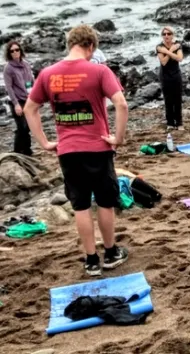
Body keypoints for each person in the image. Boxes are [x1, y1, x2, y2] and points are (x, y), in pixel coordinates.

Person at [24, 25, 129, 277]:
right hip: (98, 147)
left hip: (68, 150)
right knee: (104, 201)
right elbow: (121, 104)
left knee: (80, 204)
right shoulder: (99, 70)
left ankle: (91, 260)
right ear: (91, 46)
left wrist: (44, 142)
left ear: (69, 44)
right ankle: (111, 252)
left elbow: (30, 108)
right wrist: (118, 137)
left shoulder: (48, 73)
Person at [3, 40, 34, 155]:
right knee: (22, 127)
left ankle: (27, 149)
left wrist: (35, 96)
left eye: (17, 50)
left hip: (28, 99)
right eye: (12, 51)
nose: (15, 52)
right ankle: (17, 150)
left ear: (20, 50)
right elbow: (9, 88)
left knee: (29, 126)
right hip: (16, 101)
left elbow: (31, 80)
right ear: (9, 53)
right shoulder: (8, 68)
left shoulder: (25, 64)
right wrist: (16, 104)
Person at [157, 26, 184, 131]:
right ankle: (170, 123)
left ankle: (179, 122)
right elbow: (163, 62)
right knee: (168, 100)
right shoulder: (159, 46)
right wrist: (171, 51)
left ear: (172, 35)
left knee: (177, 99)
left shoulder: (177, 45)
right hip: (165, 76)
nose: (166, 36)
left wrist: (167, 51)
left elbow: (180, 58)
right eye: (164, 34)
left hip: (176, 75)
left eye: (168, 34)